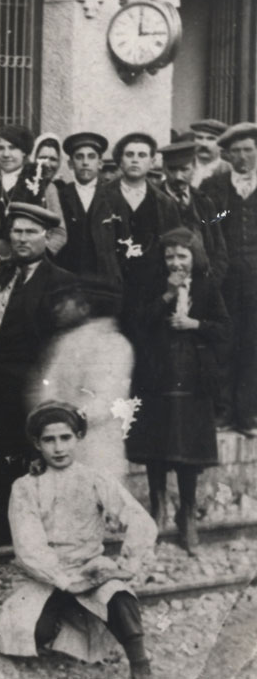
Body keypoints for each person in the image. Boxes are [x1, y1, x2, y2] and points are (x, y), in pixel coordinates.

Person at [0, 402, 155, 679]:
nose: (58, 448)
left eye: (65, 438)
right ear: (37, 443)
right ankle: (63, 616)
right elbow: (28, 546)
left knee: (119, 598)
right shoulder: (25, 487)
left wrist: (129, 563)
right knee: (31, 631)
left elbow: (138, 518)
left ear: (78, 438)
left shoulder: (95, 479)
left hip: (90, 569)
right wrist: (64, 581)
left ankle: (140, 664)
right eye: (49, 440)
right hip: (47, 577)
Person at [0, 203, 76, 545]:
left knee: (35, 463)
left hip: (32, 390)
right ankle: (3, 532)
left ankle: (38, 536)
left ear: (46, 237)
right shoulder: (2, 274)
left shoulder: (60, 282)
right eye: (16, 231)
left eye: (31, 232)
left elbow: (61, 345)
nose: (22, 239)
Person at [125, 229, 230, 553]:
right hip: (158, 375)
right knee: (157, 446)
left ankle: (187, 516)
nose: (176, 262)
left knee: (188, 452)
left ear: (193, 257)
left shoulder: (207, 286)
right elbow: (136, 323)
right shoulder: (154, 286)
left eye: (182, 256)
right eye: (170, 256)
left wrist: (195, 325)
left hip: (193, 377)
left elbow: (225, 329)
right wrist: (167, 297)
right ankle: (157, 510)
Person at [29, 277, 132, 485]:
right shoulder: (64, 343)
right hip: (61, 441)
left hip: (97, 444)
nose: (57, 309)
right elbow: (46, 388)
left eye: (65, 301)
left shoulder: (112, 343)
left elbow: (105, 399)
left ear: (85, 307)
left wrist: (66, 419)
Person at [89, 132, 183, 322]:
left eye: (142, 155)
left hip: (151, 292)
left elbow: (174, 246)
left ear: (152, 161)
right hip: (110, 289)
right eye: (129, 155)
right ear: (120, 161)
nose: (135, 160)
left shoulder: (164, 203)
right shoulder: (100, 197)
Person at [201, 122, 257, 435]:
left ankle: (248, 414)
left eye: (248, 149)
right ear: (227, 155)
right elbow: (210, 226)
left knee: (253, 344)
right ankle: (222, 412)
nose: (243, 157)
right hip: (226, 280)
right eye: (236, 151)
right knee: (223, 343)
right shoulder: (215, 187)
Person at [0, 125, 66, 255]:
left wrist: (39, 257)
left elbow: (60, 232)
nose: (6, 154)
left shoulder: (43, 184)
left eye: (13, 148)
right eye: (0, 148)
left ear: (24, 151)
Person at [160, 139, 229, 285]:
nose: (178, 176)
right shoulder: (153, 200)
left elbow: (219, 247)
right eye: (172, 169)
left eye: (184, 170)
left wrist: (213, 280)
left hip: (202, 283)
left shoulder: (204, 202)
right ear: (164, 168)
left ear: (194, 168)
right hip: (162, 284)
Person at [54, 132, 108, 275]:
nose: (85, 162)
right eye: (79, 157)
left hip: (103, 279)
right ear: (70, 164)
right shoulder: (60, 195)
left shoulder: (113, 196)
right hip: (68, 274)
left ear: (100, 163)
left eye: (91, 157)